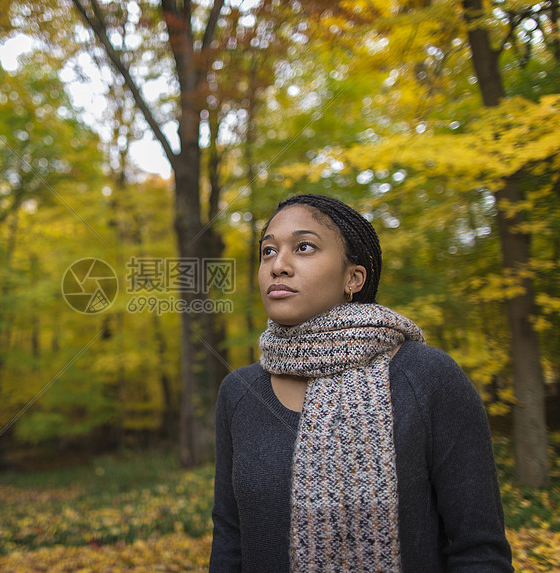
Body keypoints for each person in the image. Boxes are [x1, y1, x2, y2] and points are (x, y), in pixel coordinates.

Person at [209, 194, 513, 572]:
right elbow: (229, 541)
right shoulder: (240, 391)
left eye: (303, 247)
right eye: (268, 251)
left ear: (354, 278)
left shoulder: (426, 377)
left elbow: (479, 552)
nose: (279, 266)